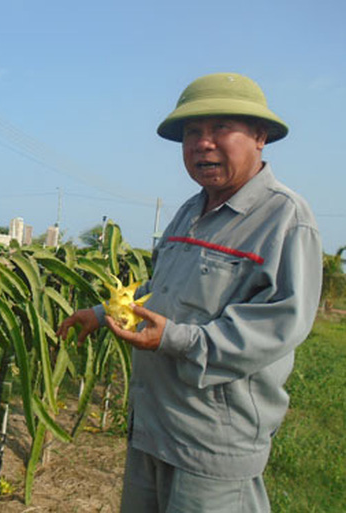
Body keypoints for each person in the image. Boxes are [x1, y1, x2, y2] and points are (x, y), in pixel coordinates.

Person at [57, 72, 322, 512]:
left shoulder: (285, 219)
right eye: (192, 133)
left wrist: (173, 339)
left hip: (212, 444)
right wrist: (103, 313)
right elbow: (161, 289)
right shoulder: (191, 211)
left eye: (220, 128)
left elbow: (277, 326)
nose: (203, 143)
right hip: (154, 428)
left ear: (260, 136)